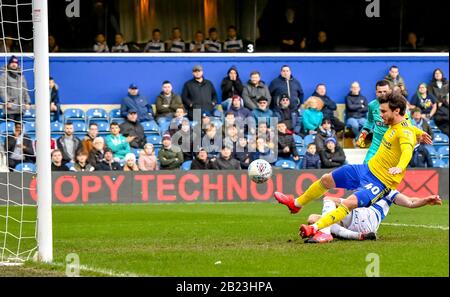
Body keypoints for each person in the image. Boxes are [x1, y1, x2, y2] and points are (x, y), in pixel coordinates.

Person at [273, 92, 432, 243]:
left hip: (380, 181)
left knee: (348, 203)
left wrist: (400, 166)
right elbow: (410, 127)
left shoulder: (405, 134)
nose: (380, 114)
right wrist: (421, 132)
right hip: (367, 170)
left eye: (383, 111)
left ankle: (320, 231)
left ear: (396, 111)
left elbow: (406, 151)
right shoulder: (404, 122)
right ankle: (296, 204)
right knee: (327, 179)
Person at [305, 191, 442, 243]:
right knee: (312, 219)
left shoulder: (386, 188)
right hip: (364, 224)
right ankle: (359, 236)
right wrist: (426, 200)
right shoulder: (370, 184)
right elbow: (410, 202)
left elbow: (410, 202)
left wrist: (425, 200)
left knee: (329, 199)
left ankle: (325, 234)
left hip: (366, 216)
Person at [0, 55, 31, 121]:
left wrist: (28, 102)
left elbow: (25, 90)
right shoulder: (4, 75)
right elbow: (2, 90)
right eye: (12, 62)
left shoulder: (21, 76)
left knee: (19, 129)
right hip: (10, 108)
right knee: (10, 129)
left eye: (16, 63)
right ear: (9, 64)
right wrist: (7, 101)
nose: (14, 64)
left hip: (20, 108)